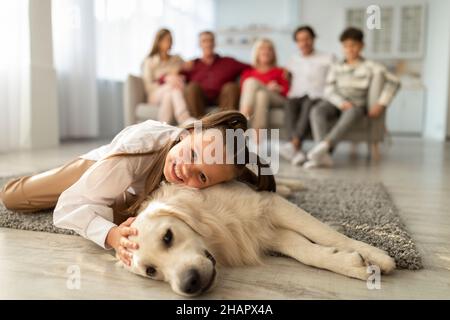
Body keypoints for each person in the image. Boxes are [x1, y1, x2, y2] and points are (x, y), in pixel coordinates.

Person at [0, 111, 275, 266]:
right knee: (13, 196)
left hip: (129, 189)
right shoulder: (135, 155)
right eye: (191, 154)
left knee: (116, 206)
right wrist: (111, 236)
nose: (186, 169)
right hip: (97, 165)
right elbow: (69, 207)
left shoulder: (216, 166)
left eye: (202, 177)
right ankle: (42, 175)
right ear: (188, 134)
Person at [303, 27, 400, 169]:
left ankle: (324, 147)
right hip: (336, 103)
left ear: (361, 46)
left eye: (353, 45)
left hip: (356, 105)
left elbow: (394, 81)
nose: (350, 49)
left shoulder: (371, 66)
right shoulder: (336, 66)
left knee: (353, 112)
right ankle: (323, 154)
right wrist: (341, 102)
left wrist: (381, 103)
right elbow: (328, 90)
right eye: (346, 46)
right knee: (317, 110)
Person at [279, 26, 335, 166]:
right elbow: (286, 79)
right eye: (300, 40)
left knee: (308, 103)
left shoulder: (328, 58)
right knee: (289, 104)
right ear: (297, 43)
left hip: (318, 96)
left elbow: (337, 77)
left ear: (313, 39)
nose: (304, 43)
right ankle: (296, 151)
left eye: (307, 39)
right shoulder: (293, 59)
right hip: (296, 96)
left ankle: (294, 146)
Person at [183, 31, 250, 118]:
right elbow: (171, 74)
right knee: (191, 87)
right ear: (199, 44)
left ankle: (226, 125)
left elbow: (251, 68)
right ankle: (198, 126)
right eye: (204, 41)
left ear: (214, 43)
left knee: (231, 87)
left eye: (210, 40)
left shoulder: (228, 62)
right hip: (200, 99)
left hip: (223, 98)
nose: (208, 44)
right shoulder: (192, 64)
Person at [239, 38, 290, 144]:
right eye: (262, 49)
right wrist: (266, 88)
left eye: (269, 49)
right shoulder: (248, 72)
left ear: (274, 53)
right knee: (261, 94)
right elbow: (245, 93)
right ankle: (257, 144)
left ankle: (241, 121)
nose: (266, 51)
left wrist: (278, 88)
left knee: (251, 82)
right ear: (257, 52)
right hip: (262, 98)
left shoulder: (280, 71)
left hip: (277, 98)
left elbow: (288, 92)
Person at [142, 28, 194, 125]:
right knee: (171, 85)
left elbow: (188, 70)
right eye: (166, 40)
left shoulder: (177, 59)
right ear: (158, 42)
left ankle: (162, 126)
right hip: (154, 94)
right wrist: (165, 79)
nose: (170, 43)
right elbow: (148, 86)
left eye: (171, 39)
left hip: (174, 91)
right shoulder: (150, 61)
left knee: (169, 94)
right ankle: (184, 118)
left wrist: (187, 67)